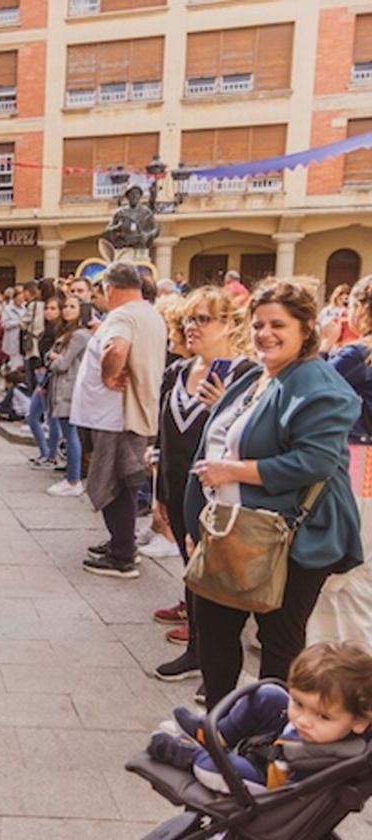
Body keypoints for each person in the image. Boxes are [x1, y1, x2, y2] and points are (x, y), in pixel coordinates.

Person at [185, 280, 362, 709]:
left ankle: (266, 739)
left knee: (278, 642)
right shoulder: (258, 376)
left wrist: (233, 470)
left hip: (292, 539)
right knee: (214, 628)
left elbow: (313, 463)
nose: (265, 333)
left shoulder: (322, 386)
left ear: (306, 329)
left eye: (278, 325)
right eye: (259, 323)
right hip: (234, 531)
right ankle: (221, 724)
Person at [150, 287, 254, 684]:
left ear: (229, 324)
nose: (192, 327)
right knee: (190, 572)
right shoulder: (177, 371)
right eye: (189, 319)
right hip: (178, 488)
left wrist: (224, 408)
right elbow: (163, 438)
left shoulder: (245, 375)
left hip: (219, 497)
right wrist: (159, 493)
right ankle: (198, 651)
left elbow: (248, 436)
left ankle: (220, 669)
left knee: (216, 585)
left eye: (203, 319)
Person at [147, 642, 372, 794]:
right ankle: (215, 735)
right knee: (269, 695)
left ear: (359, 722)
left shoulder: (329, 762)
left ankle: (189, 754)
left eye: (323, 716)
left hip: (268, 784)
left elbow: (284, 803)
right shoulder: (321, 726)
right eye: (299, 703)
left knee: (220, 768)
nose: (303, 720)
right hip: (282, 750)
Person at [75, 262, 168, 579]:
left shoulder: (123, 315)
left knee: (115, 483)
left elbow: (117, 348)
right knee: (123, 482)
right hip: (127, 413)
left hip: (116, 415)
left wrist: (107, 374)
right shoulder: (148, 312)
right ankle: (121, 541)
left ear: (110, 288)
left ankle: (122, 555)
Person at [309, 275, 372, 648]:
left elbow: (313, 388)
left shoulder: (356, 355)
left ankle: (346, 660)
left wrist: (326, 344)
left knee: (345, 573)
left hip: (356, 466)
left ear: (362, 307)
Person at [46, 294, 91, 497]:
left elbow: (63, 363)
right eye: (65, 306)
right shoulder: (67, 332)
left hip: (69, 388)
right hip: (63, 386)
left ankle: (73, 480)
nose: (66, 310)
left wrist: (54, 359)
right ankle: (72, 477)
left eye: (72, 306)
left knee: (70, 434)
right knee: (69, 434)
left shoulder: (79, 335)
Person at [26, 295, 63, 468]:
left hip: (50, 377)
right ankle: (45, 452)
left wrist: (45, 380)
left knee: (50, 418)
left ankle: (51, 455)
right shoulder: (46, 328)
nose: (49, 311)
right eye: (47, 308)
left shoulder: (59, 331)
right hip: (41, 374)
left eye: (53, 308)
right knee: (33, 416)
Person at [1, 287, 23, 371]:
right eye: (19, 299)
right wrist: (17, 323)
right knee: (13, 361)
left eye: (22, 299)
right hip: (12, 338)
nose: (21, 301)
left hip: (22, 339)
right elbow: (4, 324)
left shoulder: (25, 308)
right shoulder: (8, 309)